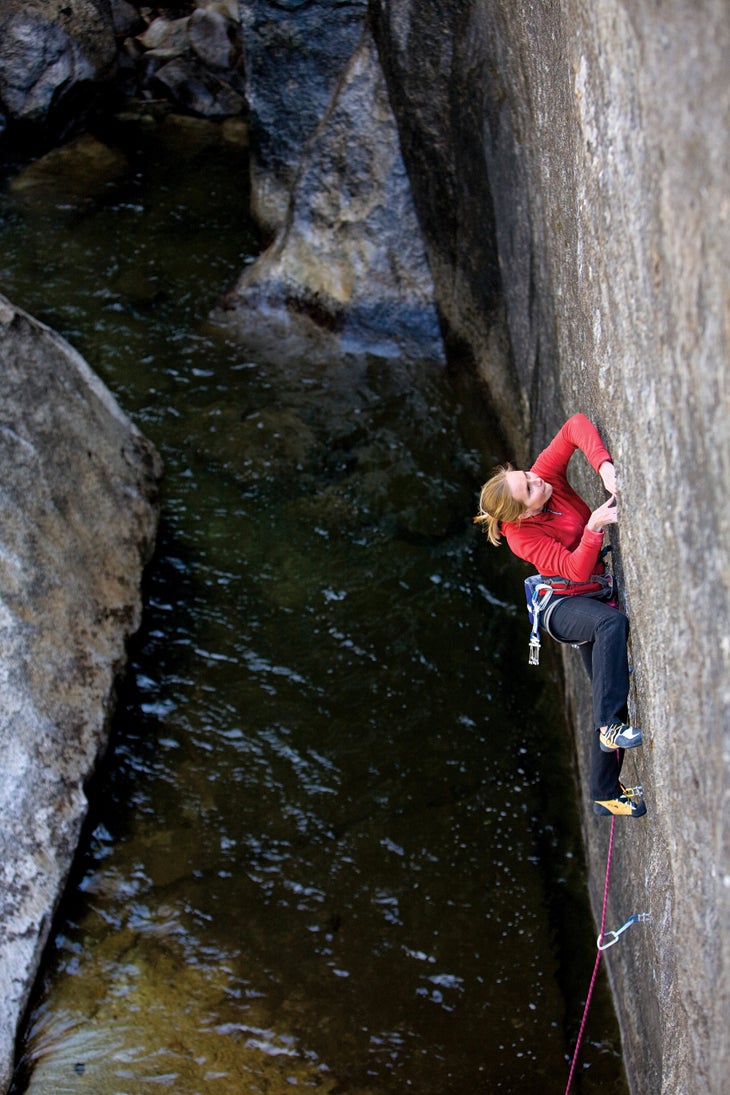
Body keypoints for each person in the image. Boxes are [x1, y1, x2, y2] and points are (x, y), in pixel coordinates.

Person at [474, 413, 646, 818]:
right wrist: (594, 527)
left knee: (609, 688)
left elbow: (575, 426)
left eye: (527, 476)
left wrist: (604, 467)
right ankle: (609, 728)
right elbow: (571, 570)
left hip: (584, 592)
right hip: (561, 608)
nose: (537, 480)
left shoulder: (543, 475)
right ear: (519, 516)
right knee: (610, 625)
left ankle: (605, 793)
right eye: (529, 488)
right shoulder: (521, 537)